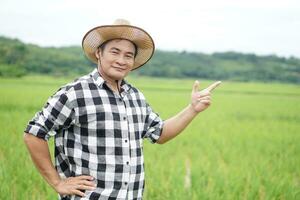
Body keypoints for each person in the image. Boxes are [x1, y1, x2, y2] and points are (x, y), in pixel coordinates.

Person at [23, 19, 221, 200]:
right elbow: (34, 134)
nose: (121, 60)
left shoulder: (135, 96)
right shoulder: (76, 93)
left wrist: (193, 109)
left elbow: (160, 133)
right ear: (99, 53)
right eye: (115, 52)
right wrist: (57, 182)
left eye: (128, 55)